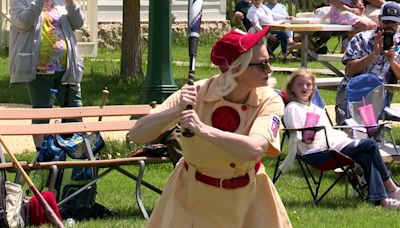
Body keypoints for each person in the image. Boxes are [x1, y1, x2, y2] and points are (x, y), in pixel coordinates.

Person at [129, 27, 292, 227]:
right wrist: (176, 110)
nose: (270, 69)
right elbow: (137, 134)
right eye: (262, 64)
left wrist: (202, 129)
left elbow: (255, 148)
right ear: (236, 69)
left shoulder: (270, 101)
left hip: (250, 198)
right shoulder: (196, 92)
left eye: (269, 62)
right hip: (193, 197)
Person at [281, 68, 400, 208]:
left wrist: (345, 129)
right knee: (370, 145)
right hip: (318, 152)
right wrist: (309, 133)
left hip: (334, 145)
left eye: (308, 84)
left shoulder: (315, 108)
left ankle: (381, 200)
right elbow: (297, 135)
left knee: (366, 156)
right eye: (300, 84)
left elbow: (329, 131)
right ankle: (392, 188)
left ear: (313, 88)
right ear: (292, 88)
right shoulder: (293, 108)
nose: (304, 88)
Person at [9, 0, 85, 147]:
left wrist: (71, 3)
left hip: (67, 69)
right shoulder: (19, 1)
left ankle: (81, 159)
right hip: (39, 70)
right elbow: (24, 22)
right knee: (41, 114)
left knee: (75, 111)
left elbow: (78, 23)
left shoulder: (61, 2)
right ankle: (44, 157)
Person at [336, 1, 400, 124]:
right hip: (352, 94)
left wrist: (391, 61)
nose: (389, 26)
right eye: (386, 22)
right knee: (351, 133)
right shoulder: (361, 39)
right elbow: (350, 70)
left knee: (370, 136)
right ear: (379, 20)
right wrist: (374, 54)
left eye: (394, 23)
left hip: (380, 98)